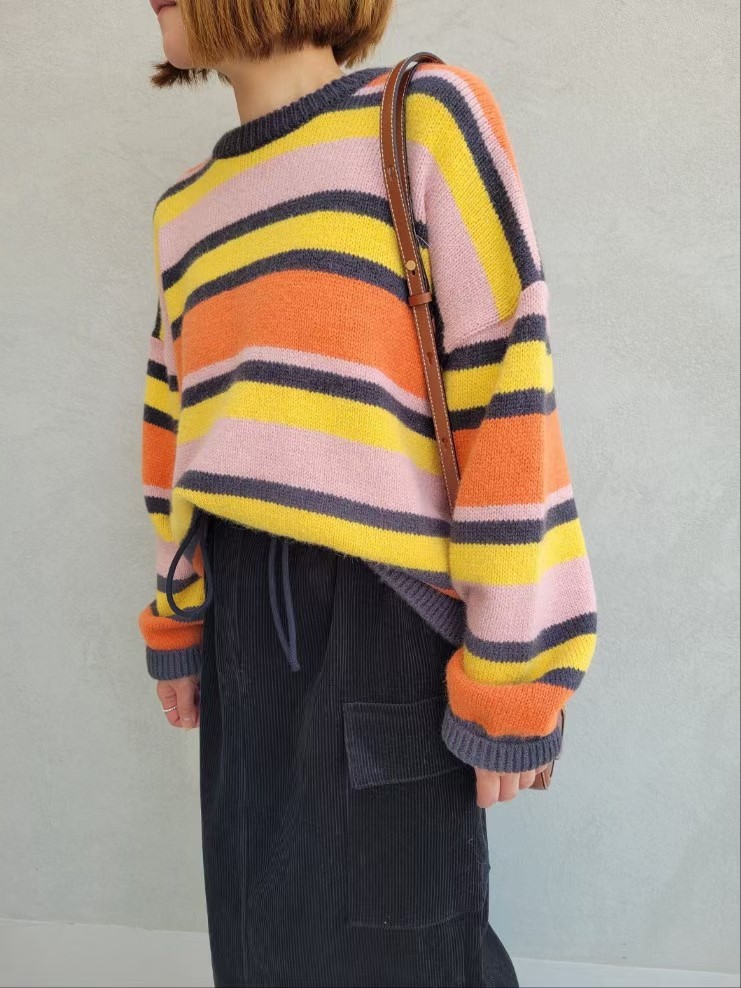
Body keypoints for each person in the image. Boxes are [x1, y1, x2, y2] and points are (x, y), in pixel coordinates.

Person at [138, 2, 598, 985]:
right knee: (260, 945)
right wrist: (177, 616)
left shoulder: (422, 116)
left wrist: (517, 668)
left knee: (410, 953)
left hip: (386, 614)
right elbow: (175, 431)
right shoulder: (185, 211)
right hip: (238, 625)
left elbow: (507, 391)